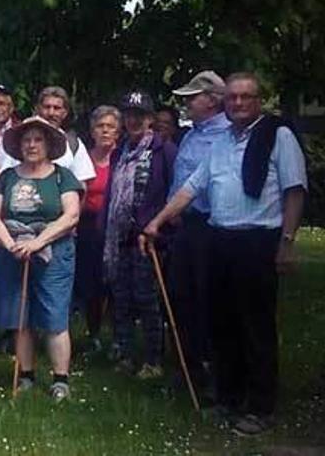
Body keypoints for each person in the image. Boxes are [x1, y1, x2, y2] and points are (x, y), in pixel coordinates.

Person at [142, 72, 306, 436]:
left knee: (256, 326)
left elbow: (294, 190)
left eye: (245, 97)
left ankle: (260, 407)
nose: (238, 103)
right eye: (232, 98)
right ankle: (230, 399)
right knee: (223, 324)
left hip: (258, 240)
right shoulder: (220, 143)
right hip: (220, 240)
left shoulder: (277, 135)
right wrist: (157, 222)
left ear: (258, 99)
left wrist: (288, 242)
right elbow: (190, 187)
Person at [0, 115, 83, 401]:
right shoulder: (8, 177)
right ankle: (26, 375)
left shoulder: (62, 176)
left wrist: (38, 242)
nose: (31, 144)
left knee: (54, 314)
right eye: (26, 139)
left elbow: (72, 215)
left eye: (37, 139)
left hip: (54, 252)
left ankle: (60, 379)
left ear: (48, 144)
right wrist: (10, 245)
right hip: (13, 251)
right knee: (20, 315)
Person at [102, 91, 177, 379]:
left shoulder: (164, 150)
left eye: (140, 116)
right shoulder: (119, 152)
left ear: (150, 119)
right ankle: (123, 352)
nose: (133, 120)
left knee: (147, 300)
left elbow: (175, 192)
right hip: (119, 237)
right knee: (121, 298)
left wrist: (162, 228)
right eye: (129, 115)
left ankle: (153, 359)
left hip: (150, 240)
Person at [167, 70, 231, 397]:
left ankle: (215, 372)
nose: (187, 103)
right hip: (185, 227)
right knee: (182, 295)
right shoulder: (191, 134)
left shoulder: (227, 135)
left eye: (192, 97)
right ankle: (188, 368)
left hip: (211, 226)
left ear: (213, 100)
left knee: (210, 298)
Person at [74, 106, 120, 351]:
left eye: (110, 126)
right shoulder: (83, 157)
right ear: (91, 131)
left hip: (115, 225)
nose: (105, 131)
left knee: (114, 283)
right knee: (92, 283)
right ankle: (93, 334)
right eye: (100, 126)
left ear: (117, 131)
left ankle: (117, 336)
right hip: (88, 225)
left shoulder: (123, 156)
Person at [4, 86, 95, 184]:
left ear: (64, 113)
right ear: (38, 109)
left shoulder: (73, 144)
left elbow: (81, 183)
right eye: (47, 107)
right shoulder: (20, 140)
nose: (51, 113)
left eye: (57, 108)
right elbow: (5, 179)